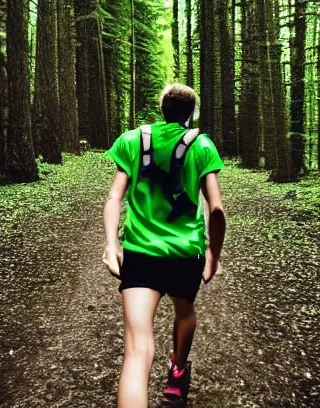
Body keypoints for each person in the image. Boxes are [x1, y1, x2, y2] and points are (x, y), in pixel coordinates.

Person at [103, 83, 226, 408]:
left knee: (138, 351)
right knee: (184, 312)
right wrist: (213, 253)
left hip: (141, 255)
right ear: (191, 113)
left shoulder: (132, 140)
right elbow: (216, 209)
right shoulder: (202, 146)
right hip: (186, 255)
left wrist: (112, 243)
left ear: (162, 109)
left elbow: (114, 196)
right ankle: (178, 373)